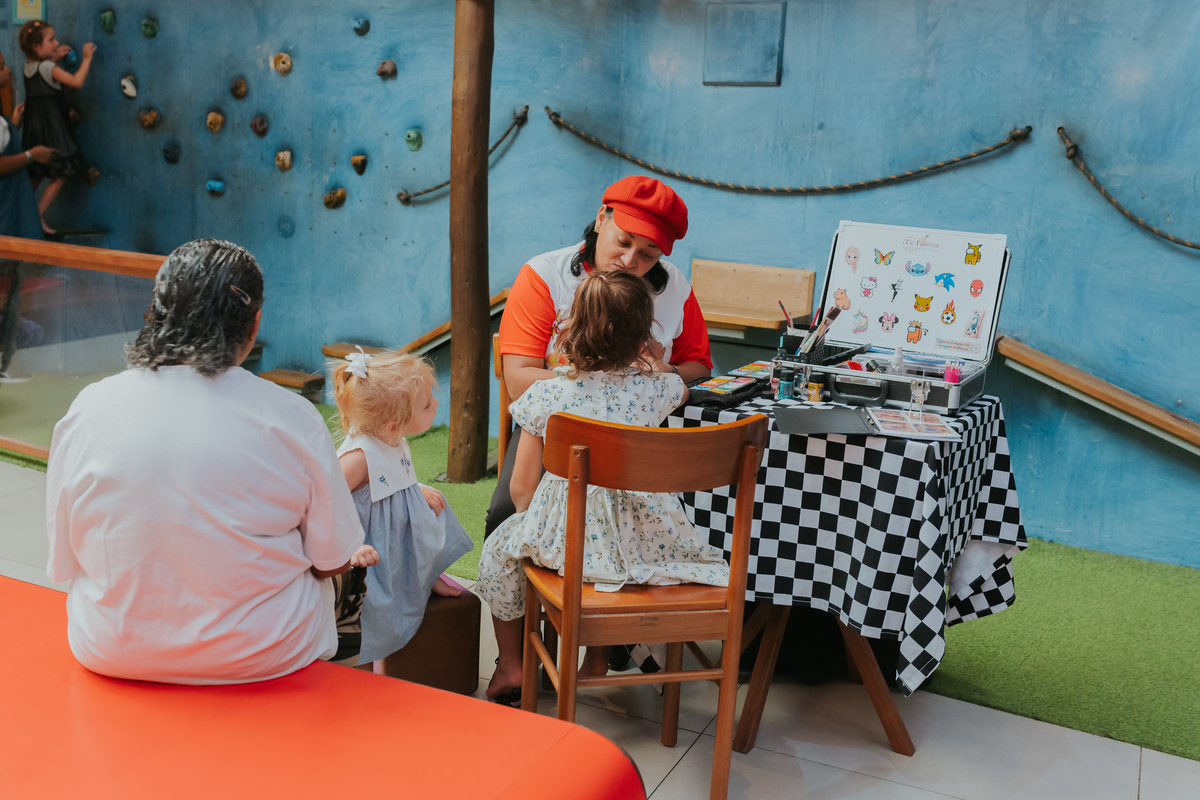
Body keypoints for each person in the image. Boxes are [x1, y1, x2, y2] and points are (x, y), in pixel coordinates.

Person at [46, 239, 369, 684]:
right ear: (254, 323)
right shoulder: (292, 417)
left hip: (110, 649)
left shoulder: (89, 407)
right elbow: (331, 560)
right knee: (356, 572)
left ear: (155, 313)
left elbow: (65, 559)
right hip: (264, 654)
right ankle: (352, 683)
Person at [476, 271, 730, 704]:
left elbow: (521, 489)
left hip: (567, 544)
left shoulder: (547, 395)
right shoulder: (659, 390)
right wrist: (654, 363)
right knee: (604, 556)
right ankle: (596, 658)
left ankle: (513, 664)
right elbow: (684, 385)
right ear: (644, 338)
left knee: (500, 554)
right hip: (649, 543)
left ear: (569, 331)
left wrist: (529, 524)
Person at [487, 175, 712, 537]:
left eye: (648, 254)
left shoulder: (674, 287)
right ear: (601, 218)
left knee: (699, 509)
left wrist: (663, 369)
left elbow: (699, 368)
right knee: (506, 512)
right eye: (623, 241)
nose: (629, 260)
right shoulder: (544, 275)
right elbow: (517, 380)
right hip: (555, 424)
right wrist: (602, 382)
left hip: (643, 429)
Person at [331, 348, 473, 666]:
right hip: (372, 542)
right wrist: (348, 548)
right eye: (426, 404)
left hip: (396, 524)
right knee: (373, 610)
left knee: (435, 504)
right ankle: (360, 669)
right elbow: (327, 500)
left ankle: (427, 575)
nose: (436, 404)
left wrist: (415, 489)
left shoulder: (392, 437)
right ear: (393, 426)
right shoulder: (357, 457)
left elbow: (390, 472)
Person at [0, 47, 54, 380]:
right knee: (7, 292)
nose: (8, 71)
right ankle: (4, 363)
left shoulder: (4, 121)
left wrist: (14, 124)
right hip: (5, 217)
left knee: (10, 292)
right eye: (2, 67)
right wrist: (32, 154)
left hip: (9, 216)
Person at [17, 20, 95, 235]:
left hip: (36, 131)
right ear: (36, 47)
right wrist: (87, 58)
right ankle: (37, 216)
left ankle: (20, 214)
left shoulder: (29, 67)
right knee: (60, 174)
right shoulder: (48, 68)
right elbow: (76, 82)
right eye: (51, 39)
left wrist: (54, 58)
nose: (56, 42)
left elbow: (43, 75)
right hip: (54, 130)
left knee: (35, 176)